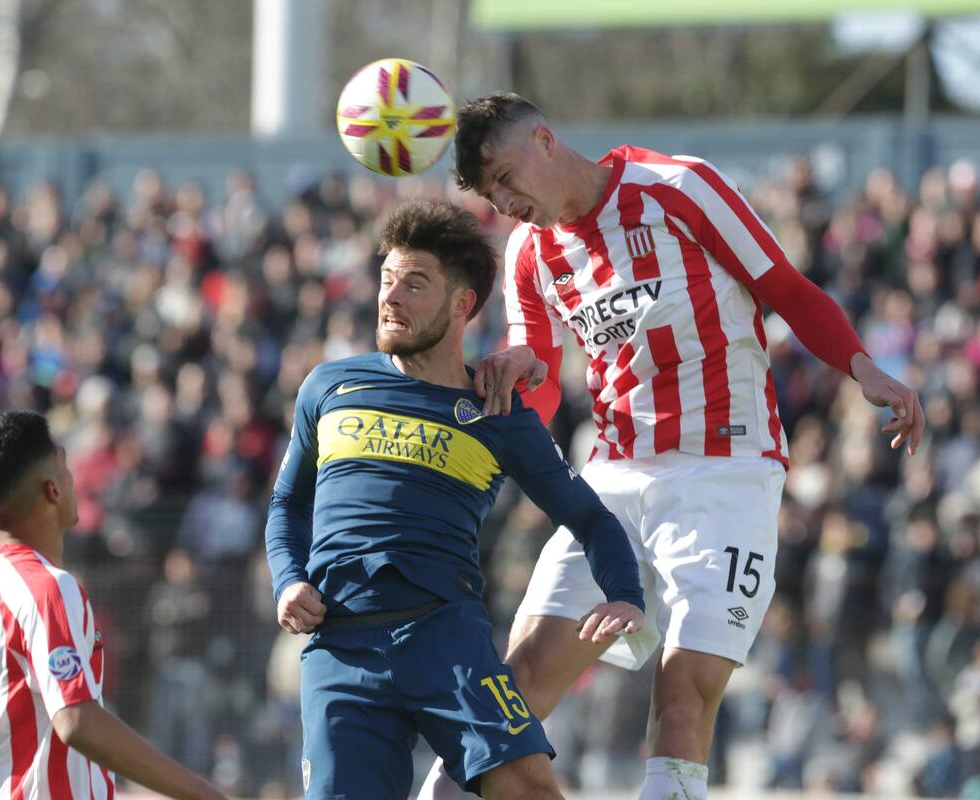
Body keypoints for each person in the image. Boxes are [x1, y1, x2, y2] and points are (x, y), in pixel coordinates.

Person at [419, 93, 926, 800]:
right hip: (613, 479)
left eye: (505, 177)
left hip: (725, 473)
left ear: (544, 139)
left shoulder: (678, 188)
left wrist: (861, 367)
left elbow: (783, 285)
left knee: (683, 697)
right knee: (520, 684)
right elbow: (535, 369)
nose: (504, 202)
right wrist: (510, 379)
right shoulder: (533, 255)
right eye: (488, 193)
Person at [264, 199, 646, 800]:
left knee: (530, 790)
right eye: (387, 279)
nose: (390, 297)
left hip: (447, 638)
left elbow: (590, 518)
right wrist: (288, 580)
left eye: (415, 284)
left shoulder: (497, 410)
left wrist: (626, 594)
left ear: (462, 304)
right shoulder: (329, 386)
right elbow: (287, 505)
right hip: (340, 647)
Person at [0, 410, 227, 800]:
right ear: (53, 490)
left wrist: (10, 750)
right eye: (66, 469)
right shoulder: (49, 588)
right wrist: (199, 792)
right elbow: (76, 721)